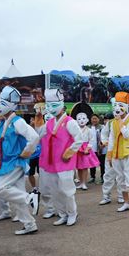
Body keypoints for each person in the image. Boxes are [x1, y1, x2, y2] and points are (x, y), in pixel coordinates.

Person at [0, 86, 40, 235]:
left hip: (13, 163)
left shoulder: (17, 121)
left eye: (3, 103)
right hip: (6, 163)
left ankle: (30, 198)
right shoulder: (2, 122)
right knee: (16, 193)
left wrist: (26, 153)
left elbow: (34, 137)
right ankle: (29, 224)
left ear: (12, 106)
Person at [38, 89, 84, 227]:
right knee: (55, 190)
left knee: (67, 189)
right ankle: (62, 214)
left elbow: (79, 139)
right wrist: (39, 119)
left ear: (62, 105)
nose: (50, 109)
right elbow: (39, 135)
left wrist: (69, 152)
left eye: (53, 105)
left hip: (65, 162)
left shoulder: (70, 122)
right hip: (51, 161)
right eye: (48, 105)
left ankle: (72, 213)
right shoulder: (49, 122)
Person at [107, 92, 129, 214]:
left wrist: (121, 122)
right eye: (116, 105)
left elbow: (127, 135)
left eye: (120, 105)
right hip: (116, 155)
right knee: (120, 179)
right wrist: (110, 155)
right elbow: (111, 138)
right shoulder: (113, 123)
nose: (117, 108)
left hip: (128, 154)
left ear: (126, 107)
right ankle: (126, 203)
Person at [71, 103, 100, 191]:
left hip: (85, 149)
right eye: (79, 119)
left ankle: (84, 182)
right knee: (79, 167)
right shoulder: (75, 130)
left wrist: (88, 148)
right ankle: (80, 182)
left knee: (84, 167)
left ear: (87, 120)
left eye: (83, 118)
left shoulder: (89, 130)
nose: (81, 120)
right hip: (77, 149)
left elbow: (92, 140)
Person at [89, 114, 102, 183]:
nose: (94, 120)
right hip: (92, 149)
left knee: (102, 164)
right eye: (93, 119)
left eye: (95, 118)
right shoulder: (88, 127)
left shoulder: (102, 127)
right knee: (92, 164)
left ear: (98, 119)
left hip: (100, 149)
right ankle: (92, 177)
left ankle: (102, 177)